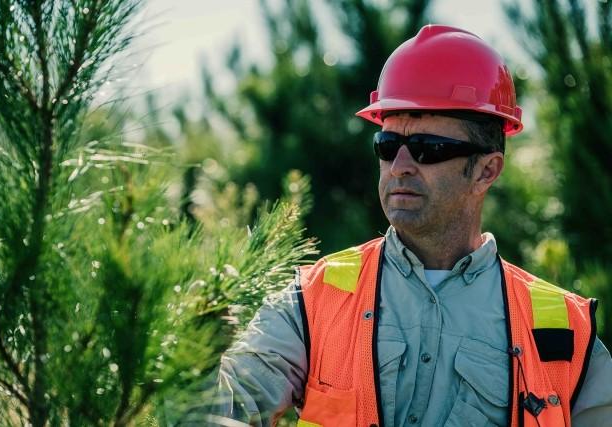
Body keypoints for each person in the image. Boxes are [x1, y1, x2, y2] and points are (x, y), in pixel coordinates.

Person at [214, 25, 612, 427]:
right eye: (388, 147)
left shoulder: (563, 330)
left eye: (428, 149)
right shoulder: (314, 298)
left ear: (486, 171)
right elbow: (229, 405)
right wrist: (193, 350)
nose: (401, 166)